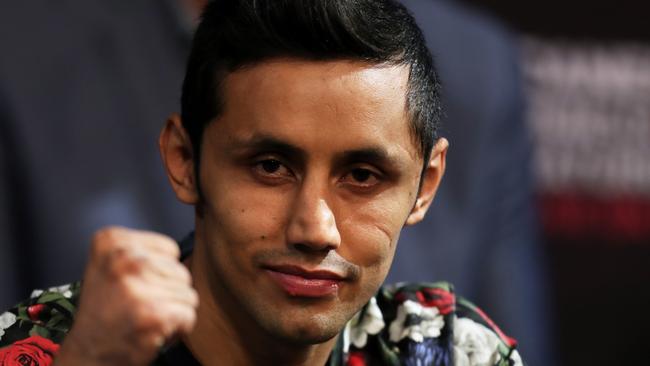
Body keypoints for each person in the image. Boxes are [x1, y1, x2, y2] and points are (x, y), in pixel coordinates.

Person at [0, 1, 523, 365]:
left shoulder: (449, 353)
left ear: (425, 186)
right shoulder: (48, 349)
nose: (315, 229)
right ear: (184, 159)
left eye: (361, 176)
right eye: (271, 166)